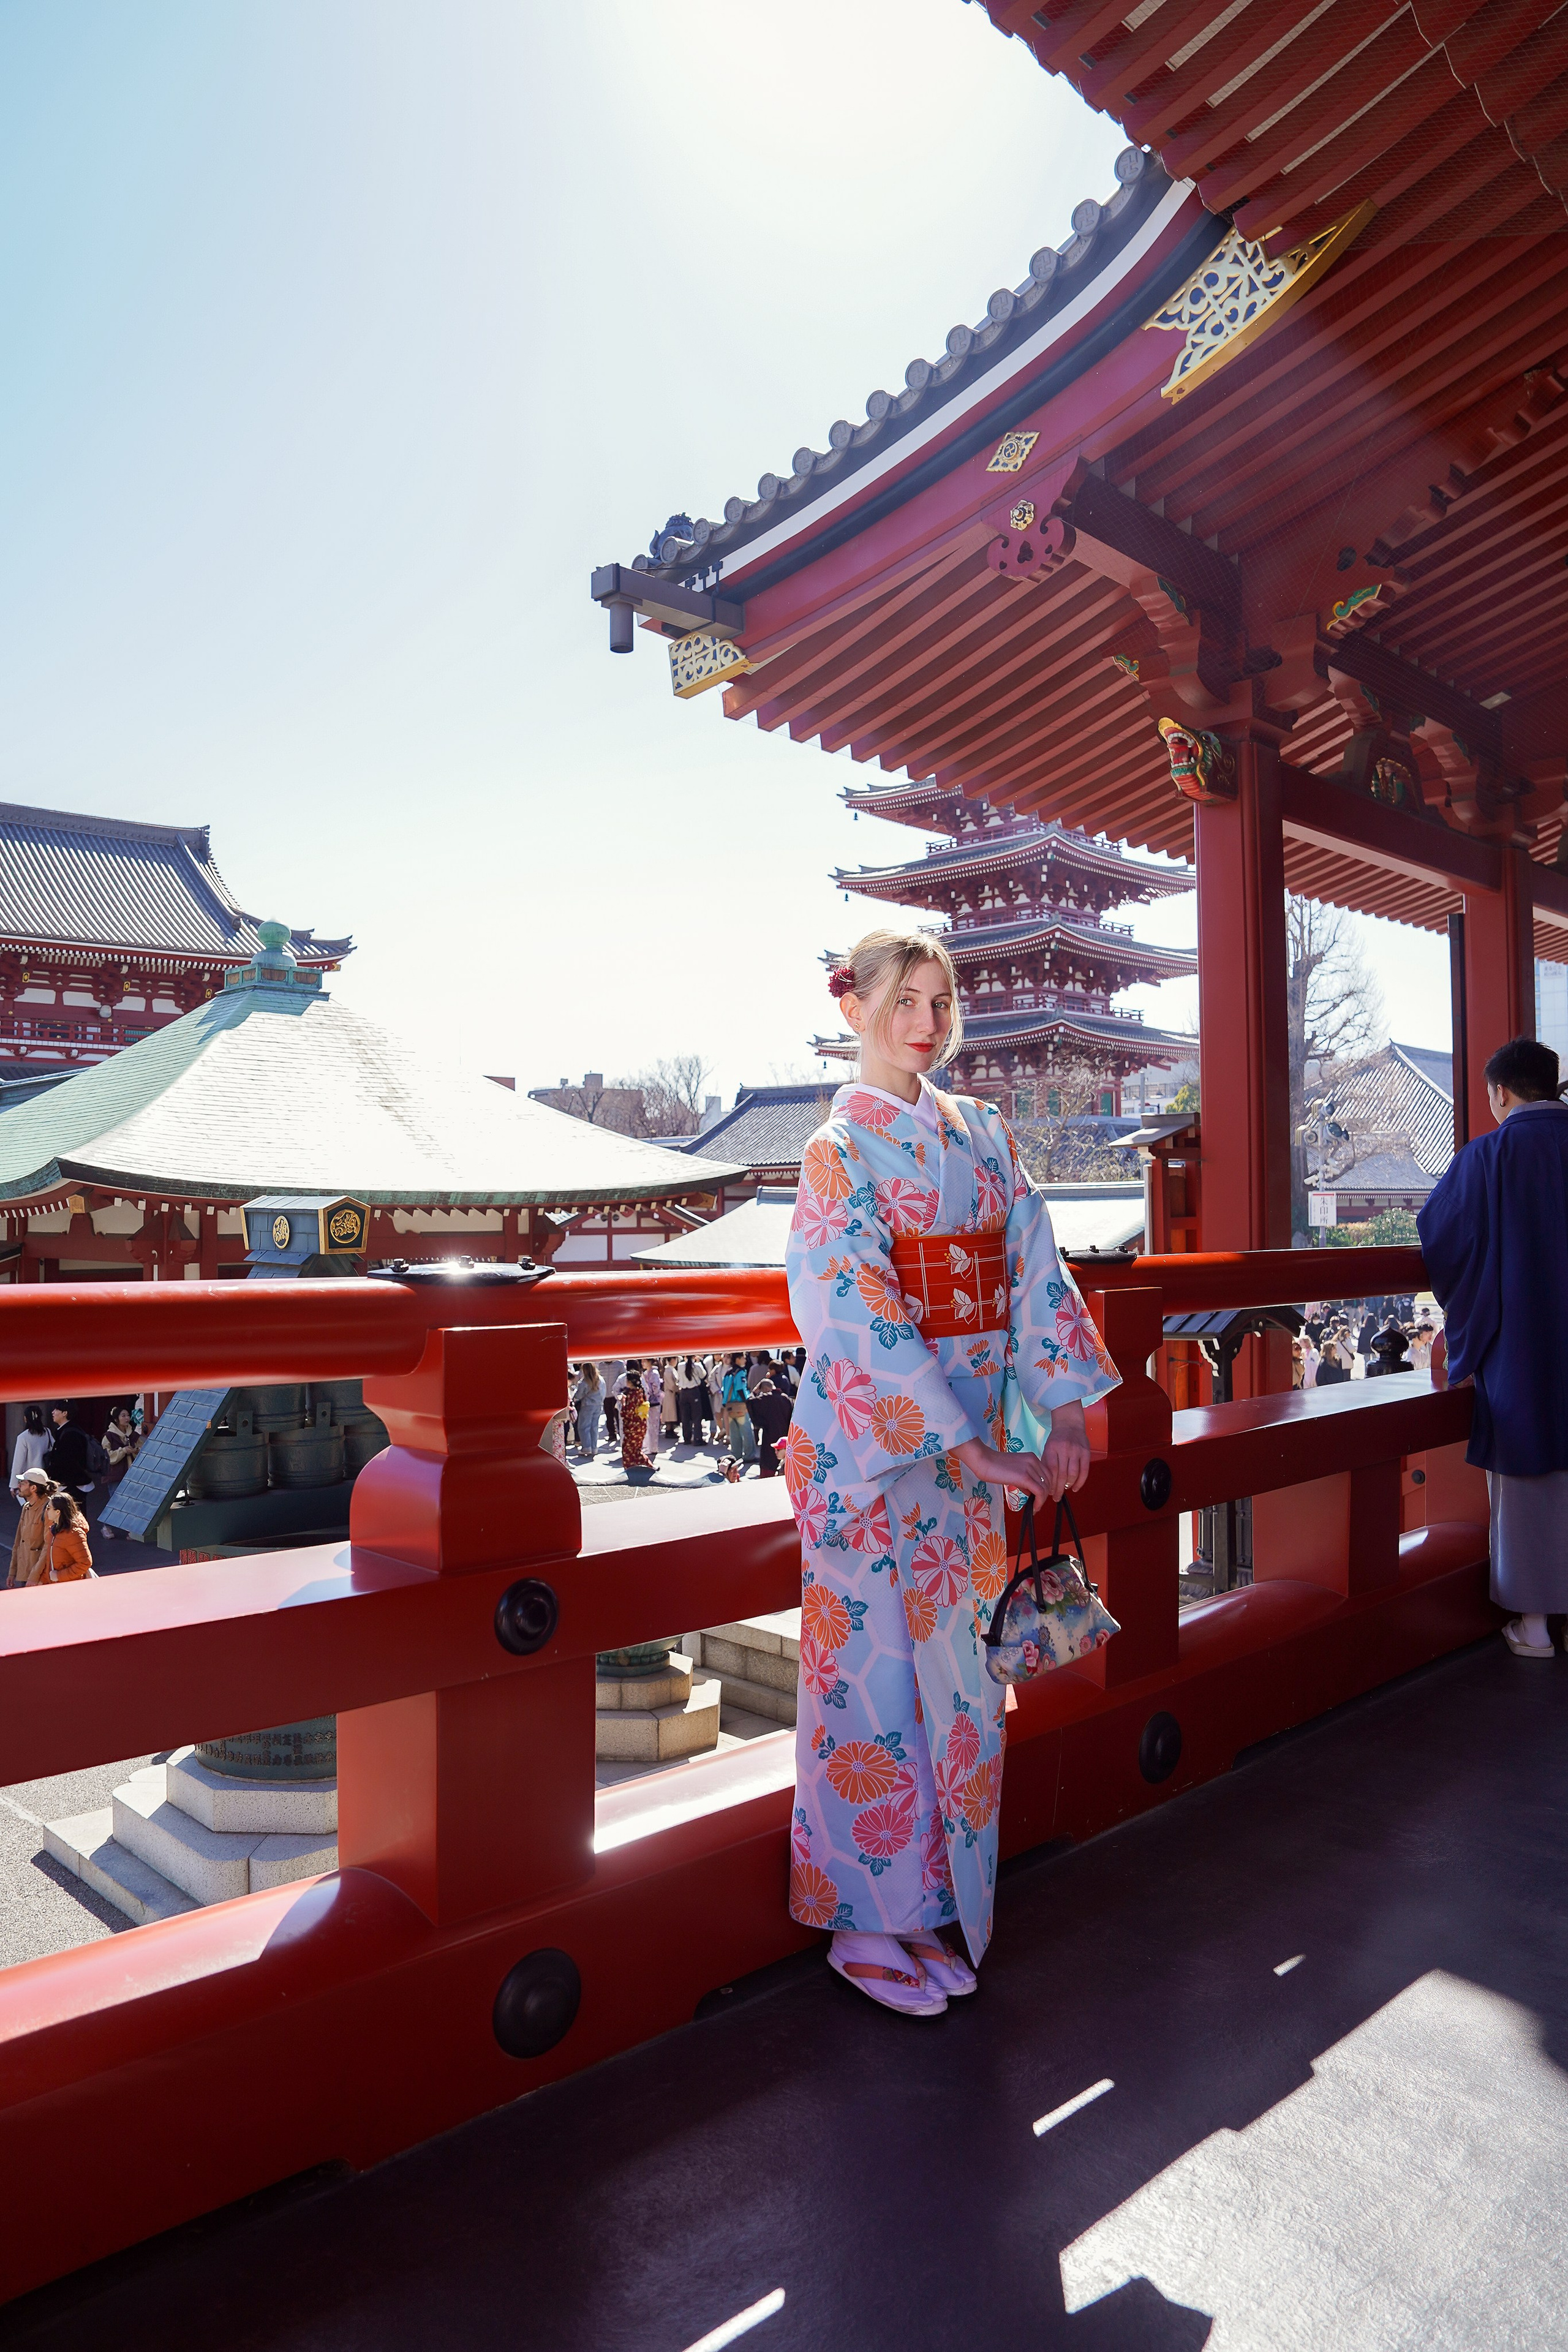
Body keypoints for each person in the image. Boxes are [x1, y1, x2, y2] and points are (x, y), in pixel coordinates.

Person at [783, 928, 1118, 2018]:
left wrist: (1062, 1402)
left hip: (975, 1455)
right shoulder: (837, 1152)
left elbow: (1033, 1267)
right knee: (871, 1690)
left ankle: (934, 1910)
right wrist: (963, 1437)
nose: (926, 1024)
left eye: (940, 1002)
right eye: (904, 1002)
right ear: (856, 1009)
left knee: (966, 1695)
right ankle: (865, 1927)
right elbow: (854, 1311)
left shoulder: (981, 1134)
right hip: (876, 1459)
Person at [1418, 1035, 1568, 1660]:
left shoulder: (1488, 1158)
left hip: (1525, 1343)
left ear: (1501, 1093)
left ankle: (1535, 1625)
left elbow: (1443, 1239)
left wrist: (1465, 1325)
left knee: (1529, 1472)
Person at [42, 1401, 100, 1523]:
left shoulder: (70, 1434)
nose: (53, 1412)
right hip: (73, 1483)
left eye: (56, 1410)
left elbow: (66, 1462)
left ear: (65, 1413)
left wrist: (46, 1474)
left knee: (72, 1521)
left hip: (73, 1485)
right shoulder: (68, 1430)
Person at [7, 1469, 52, 1588]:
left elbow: (48, 1546)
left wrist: (35, 1575)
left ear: (33, 1488)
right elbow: (18, 1543)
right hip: (25, 1574)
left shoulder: (49, 1509)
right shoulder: (26, 1507)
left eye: (23, 1483)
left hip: (39, 1578)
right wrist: (12, 1572)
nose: (19, 1486)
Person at [40, 1490, 94, 1583]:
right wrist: (44, 1581)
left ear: (58, 1512)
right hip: (57, 1585)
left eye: (49, 1508)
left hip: (71, 1587)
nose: (46, 1511)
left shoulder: (74, 1534)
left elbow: (85, 1563)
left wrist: (59, 1576)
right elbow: (51, 1562)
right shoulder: (54, 1530)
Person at [750, 1375, 794, 1478]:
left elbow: (751, 1402)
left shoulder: (765, 1398)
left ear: (765, 1389)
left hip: (769, 1436)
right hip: (785, 1435)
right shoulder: (786, 1399)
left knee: (769, 1464)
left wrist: (754, 1392)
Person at [720, 1355, 757, 1469]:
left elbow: (723, 1390)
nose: (745, 1360)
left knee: (734, 1432)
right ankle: (749, 1455)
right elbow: (741, 1388)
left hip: (729, 1406)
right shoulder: (740, 1372)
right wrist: (747, 1402)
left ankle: (736, 1455)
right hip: (740, 1405)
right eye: (743, 1358)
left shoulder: (728, 1373)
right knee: (747, 1431)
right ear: (738, 1359)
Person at [10, 1406, 50, 1499]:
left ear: (25, 1418)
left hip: (29, 1478)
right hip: (45, 1476)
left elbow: (18, 1462)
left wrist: (14, 1485)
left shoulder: (23, 1437)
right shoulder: (47, 1432)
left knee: (29, 1506)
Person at [619, 1370, 649, 1473]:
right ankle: (648, 1466)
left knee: (628, 1451)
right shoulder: (641, 1391)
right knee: (636, 1450)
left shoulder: (631, 1395)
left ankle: (630, 1471)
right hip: (641, 1425)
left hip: (632, 1426)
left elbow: (627, 1413)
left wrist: (622, 1403)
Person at [676, 1356, 709, 1447]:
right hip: (693, 1391)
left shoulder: (680, 1365)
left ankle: (686, 1438)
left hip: (683, 1392)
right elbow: (703, 1375)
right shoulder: (697, 1366)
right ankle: (698, 1438)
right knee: (697, 1416)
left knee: (685, 1416)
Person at [573, 1364, 603, 1458]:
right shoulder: (601, 1380)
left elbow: (579, 1396)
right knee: (594, 1427)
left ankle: (586, 1447)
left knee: (584, 1427)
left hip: (587, 1405)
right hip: (598, 1405)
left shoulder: (584, 1382)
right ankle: (594, 1448)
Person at [641, 1360, 663, 1459]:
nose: (643, 1363)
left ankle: (653, 1448)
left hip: (653, 1401)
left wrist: (651, 1394)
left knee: (654, 1425)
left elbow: (656, 1387)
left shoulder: (654, 1373)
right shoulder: (646, 1373)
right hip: (649, 1401)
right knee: (648, 1425)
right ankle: (648, 1446)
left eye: (644, 1361)